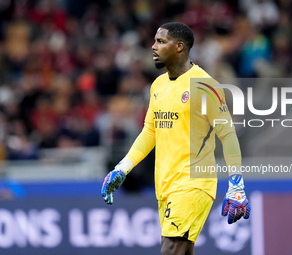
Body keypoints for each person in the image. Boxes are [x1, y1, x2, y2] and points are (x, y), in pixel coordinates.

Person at [101, 22, 251, 255]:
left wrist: (236, 184)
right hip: (166, 186)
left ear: (180, 47)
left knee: (170, 249)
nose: (153, 47)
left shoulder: (205, 86)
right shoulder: (158, 85)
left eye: (160, 42)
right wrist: (123, 168)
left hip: (193, 184)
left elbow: (228, 134)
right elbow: (150, 132)